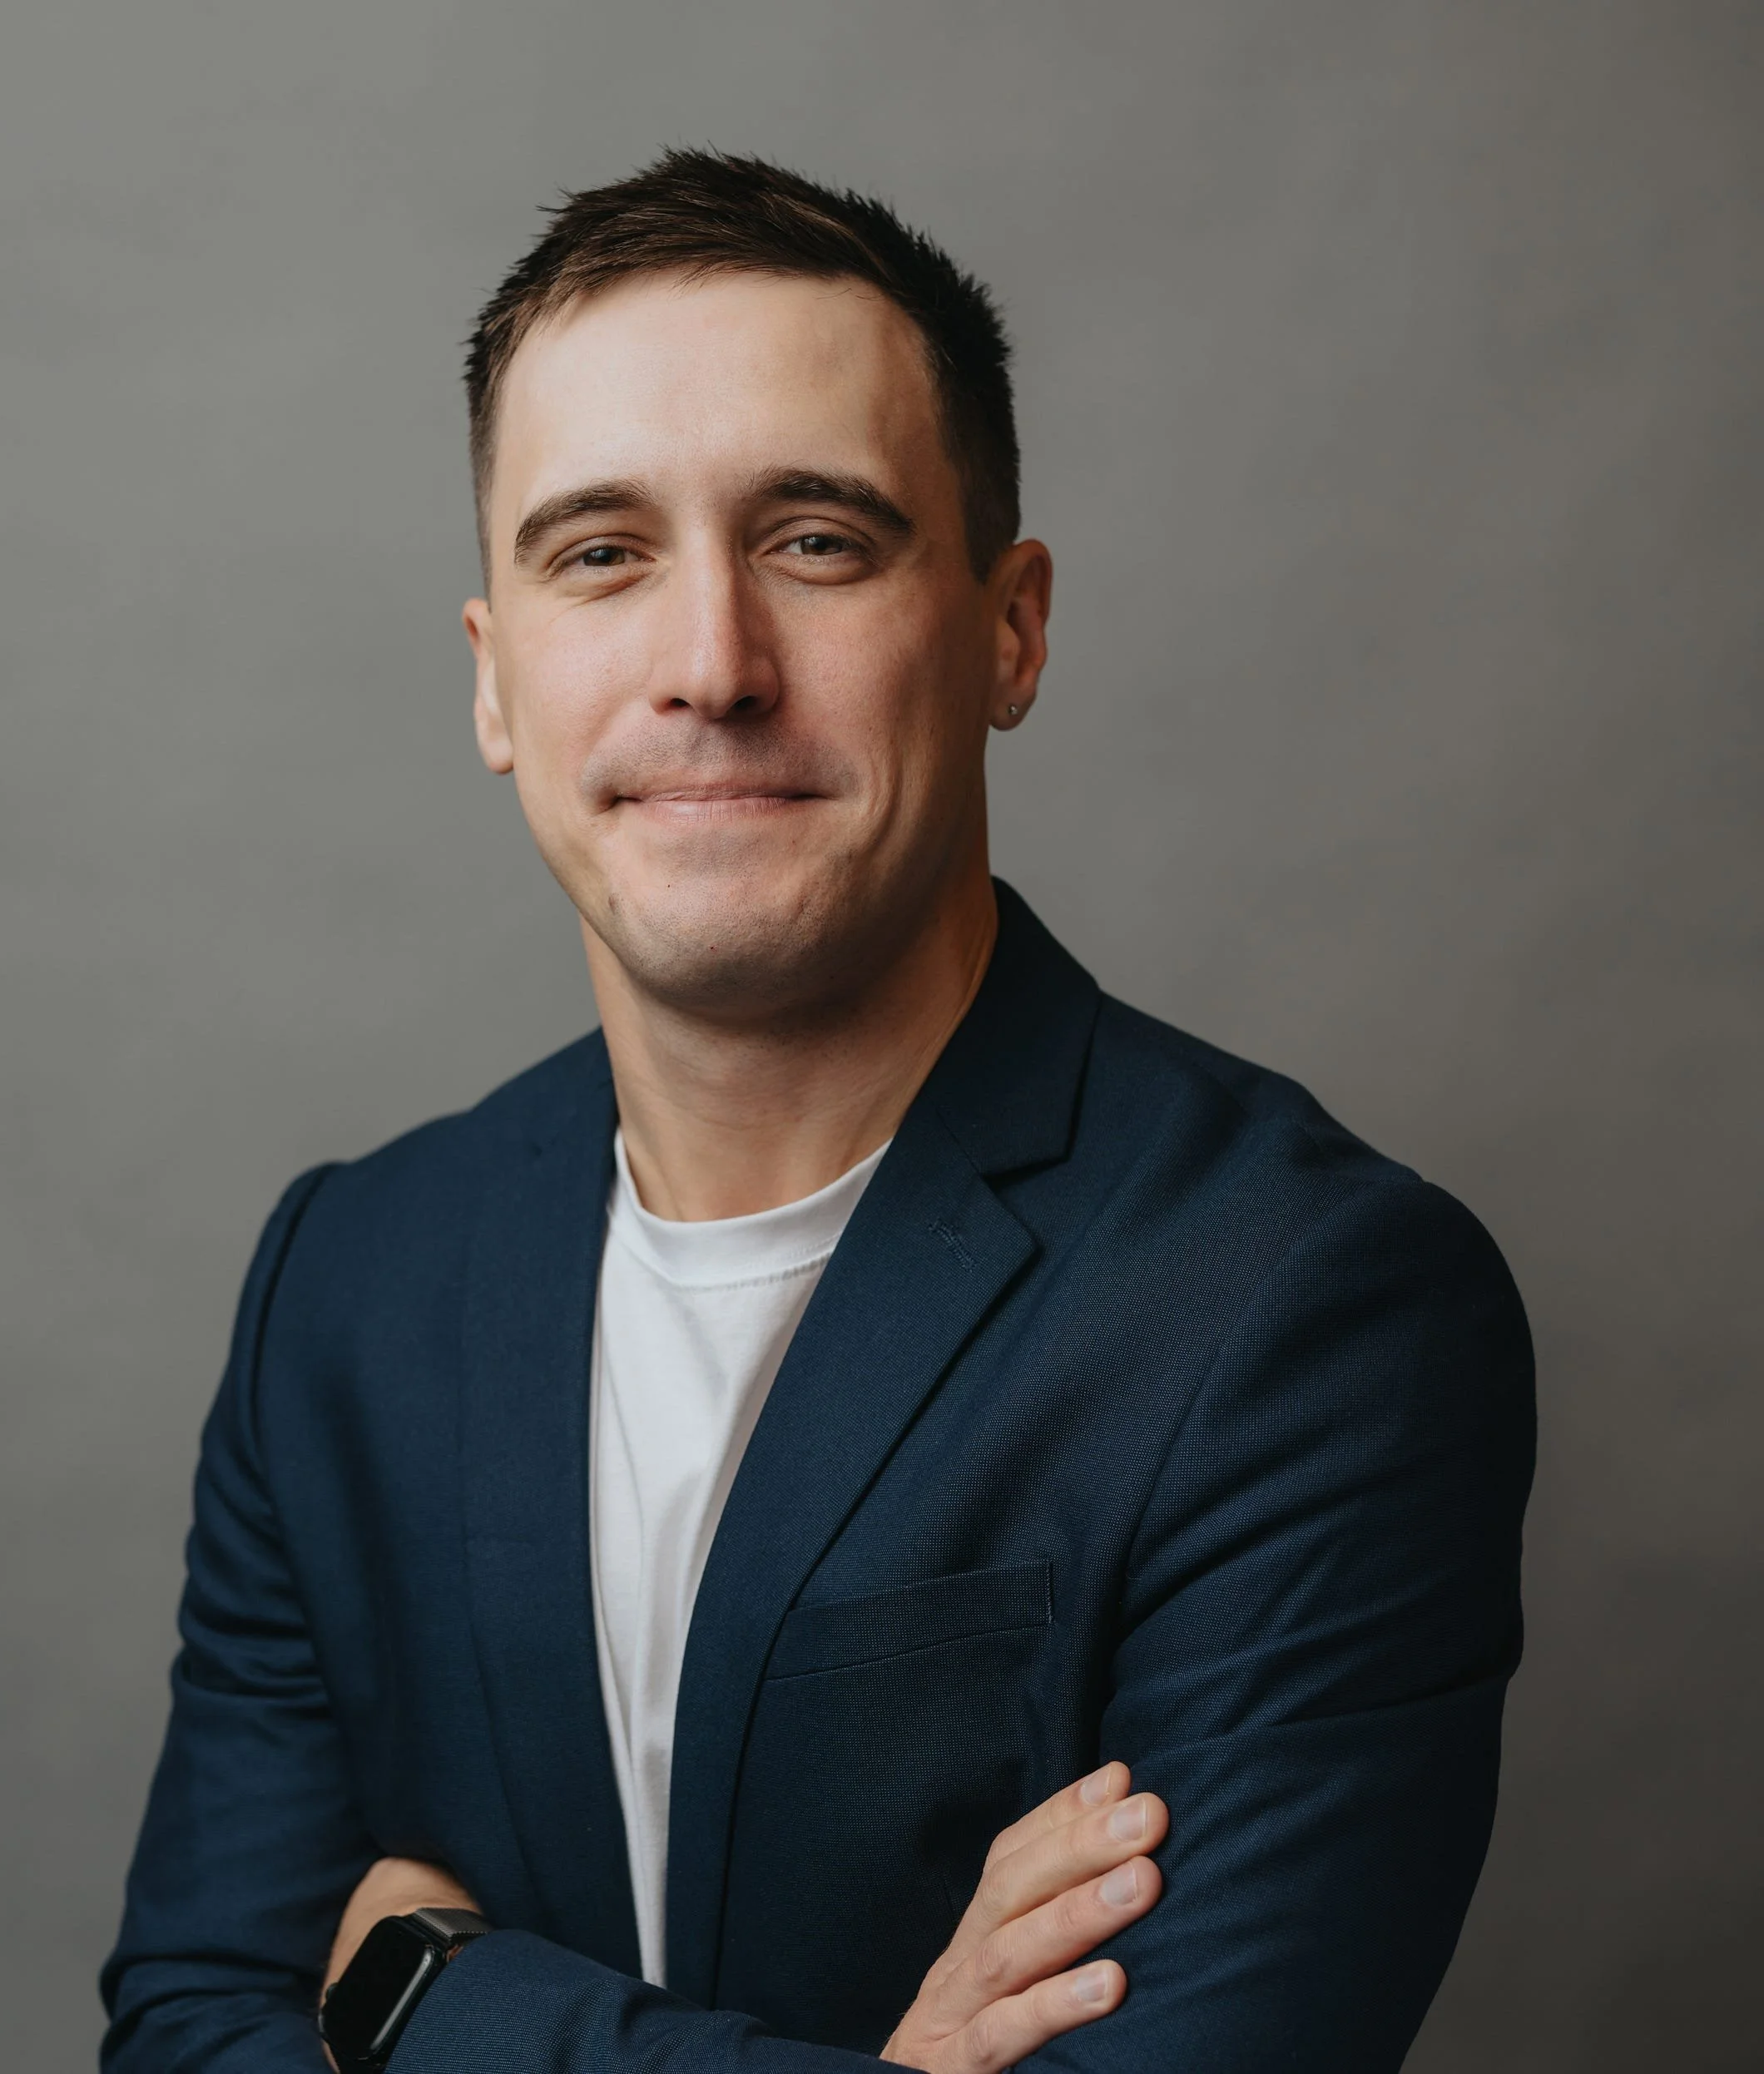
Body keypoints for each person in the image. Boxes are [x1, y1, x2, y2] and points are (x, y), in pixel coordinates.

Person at [100, 150, 1534, 2074]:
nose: (711, 665)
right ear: (496, 679)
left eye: (816, 540)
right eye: (600, 553)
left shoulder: (1303, 1308)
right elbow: (192, 2030)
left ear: (1009, 628)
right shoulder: (348, 1286)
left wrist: (428, 1996)